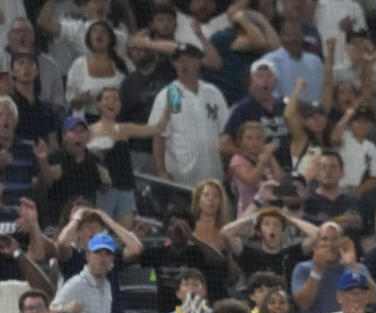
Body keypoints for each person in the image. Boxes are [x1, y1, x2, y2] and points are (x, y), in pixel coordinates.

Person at [87, 87, 171, 225]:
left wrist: (168, 110)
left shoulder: (125, 129)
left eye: (115, 99)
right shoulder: (89, 131)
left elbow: (157, 128)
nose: (112, 103)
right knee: (101, 231)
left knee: (125, 232)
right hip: (102, 189)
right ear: (98, 104)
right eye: (107, 99)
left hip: (125, 188)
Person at [149, 43, 229, 186]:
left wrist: (228, 166)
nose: (183, 64)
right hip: (182, 177)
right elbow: (159, 136)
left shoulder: (213, 93)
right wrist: (161, 170)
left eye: (187, 60)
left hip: (214, 174)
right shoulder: (170, 94)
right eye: (179, 61)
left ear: (198, 62)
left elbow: (225, 133)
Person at [291, 221, 376, 313]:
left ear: (343, 242)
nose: (330, 244)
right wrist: (317, 271)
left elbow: (373, 297)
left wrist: (352, 265)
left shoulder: (355, 269)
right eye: (324, 239)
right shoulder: (303, 269)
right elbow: (303, 304)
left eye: (335, 239)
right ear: (316, 244)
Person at [51, 233, 115, 313]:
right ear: (88, 256)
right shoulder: (76, 285)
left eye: (107, 254)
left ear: (112, 259)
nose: (102, 259)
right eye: (97, 253)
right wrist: (64, 309)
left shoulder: (107, 286)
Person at [65, 20, 127, 121]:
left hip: (118, 120)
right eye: (94, 31)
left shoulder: (123, 63)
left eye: (103, 31)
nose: (99, 34)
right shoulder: (79, 64)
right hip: (87, 120)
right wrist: (79, 100)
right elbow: (70, 99)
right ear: (89, 38)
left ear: (110, 38)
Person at [227, 121, 285, 214]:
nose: (254, 142)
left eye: (258, 138)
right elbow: (251, 181)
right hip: (249, 212)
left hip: (271, 211)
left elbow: (280, 180)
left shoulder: (266, 157)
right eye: (249, 138)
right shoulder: (237, 160)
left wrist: (271, 157)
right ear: (240, 141)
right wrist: (262, 163)